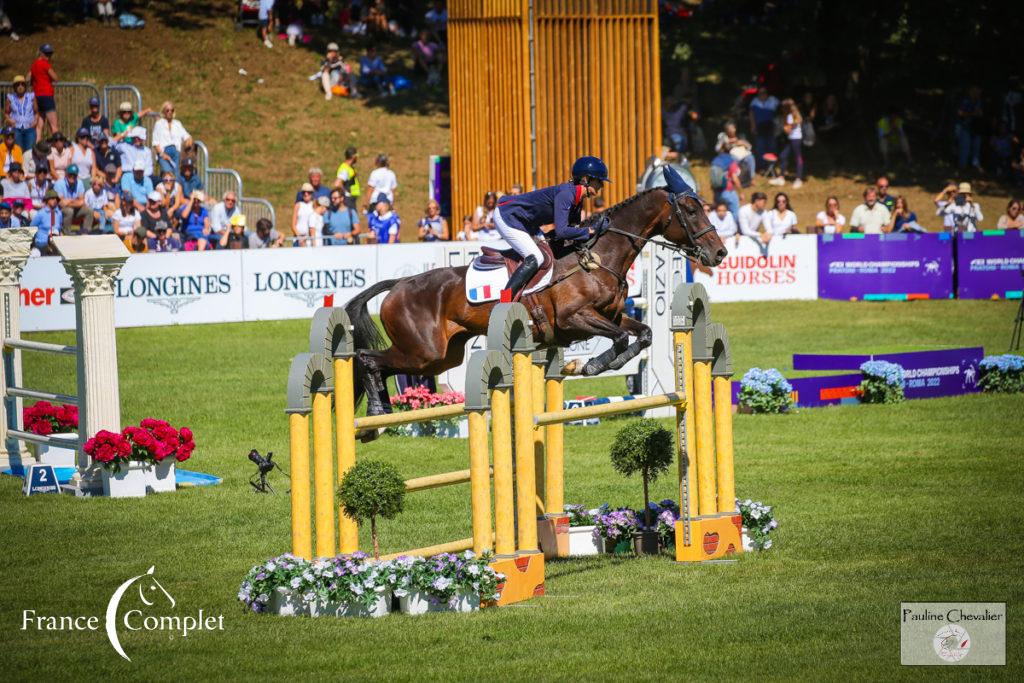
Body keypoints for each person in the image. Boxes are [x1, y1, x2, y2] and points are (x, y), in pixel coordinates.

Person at [493, 155, 608, 299]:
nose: (602, 186)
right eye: (599, 181)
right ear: (585, 179)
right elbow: (561, 232)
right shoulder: (566, 194)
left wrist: (595, 233)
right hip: (507, 215)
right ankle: (504, 301)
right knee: (536, 257)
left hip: (526, 222)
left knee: (549, 253)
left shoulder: (578, 201)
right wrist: (590, 230)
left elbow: (572, 232)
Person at [151, 101, 192, 175]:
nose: (170, 112)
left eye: (172, 110)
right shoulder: (159, 124)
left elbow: (186, 136)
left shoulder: (177, 123)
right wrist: (162, 154)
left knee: (175, 175)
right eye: (167, 110)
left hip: (175, 152)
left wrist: (189, 141)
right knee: (168, 173)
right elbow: (155, 142)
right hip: (164, 151)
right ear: (163, 111)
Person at [773, 98, 804, 188]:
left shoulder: (795, 113)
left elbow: (799, 120)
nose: (784, 108)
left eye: (786, 106)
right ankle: (781, 177)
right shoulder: (786, 115)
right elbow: (786, 130)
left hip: (796, 139)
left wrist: (789, 126)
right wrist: (786, 128)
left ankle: (798, 179)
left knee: (797, 158)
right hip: (790, 139)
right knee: (783, 156)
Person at [29, 44, 58, 138]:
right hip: (46, 95)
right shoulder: (45, 64)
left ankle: (37, 146)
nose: (48, 56)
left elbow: (27, 77)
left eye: (50, 54)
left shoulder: (34, 65)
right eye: (47, 54)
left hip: (37, 96)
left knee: (39, 126)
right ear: (41, 53)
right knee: (53, 126)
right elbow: (56, 78)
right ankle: (58, 146)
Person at [714, 121, 754, 187]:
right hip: (731, 155)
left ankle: (751, 178)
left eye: (732, 128)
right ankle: (734, 179)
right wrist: (726, 144)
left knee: (750, 158)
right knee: (733, 159)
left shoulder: (740, 136)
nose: (730, 130)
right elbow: (717, 149)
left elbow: (750, 147)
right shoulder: (723, 138)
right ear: (726, 130)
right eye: (728, 129)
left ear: (735, 129)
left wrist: (743, 143)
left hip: (743, 155)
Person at [5, 75, 37, 155]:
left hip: (29, 128)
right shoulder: (10, 98)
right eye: (17, 84)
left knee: (29, 152)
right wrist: (9, 120)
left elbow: (36, 112)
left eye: (22, 84)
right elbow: (6, 113)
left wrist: (35, 122)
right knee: (18, 151)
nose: (20, 86)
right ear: (14, 87)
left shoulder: (31, 97)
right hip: (16, 129)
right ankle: (18, 167)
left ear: (25, 86)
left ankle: (27, 168)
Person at [55, 164, 91, 233]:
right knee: (69, 211)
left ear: (77, 176)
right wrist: (75, 201)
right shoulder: (59, 183)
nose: (72, 177)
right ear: (66, 174)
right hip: (60, 210)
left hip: (74, 208)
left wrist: (68, 201)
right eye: (70, 175)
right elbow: (61, 203)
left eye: (74, 175)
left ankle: (85, 232)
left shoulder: (79, 183)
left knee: (89, 211)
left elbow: (82, 202)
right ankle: (66, 233)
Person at [749, 86, 779, 169]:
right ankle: (762, 166)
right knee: (760, 146)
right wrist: (753, 126)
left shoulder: (773, 100)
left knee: (771, 146)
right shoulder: (755, 101)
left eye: (764, 93)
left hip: (770, 126)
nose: (762, 95)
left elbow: (781, 109)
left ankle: (771, 165)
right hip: (759, 126)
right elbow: (751, 114)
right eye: (760, 93)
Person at [956, 86, 985, 171]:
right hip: (966, 127)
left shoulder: (980, 102)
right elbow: (960, 113)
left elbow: (980, 114)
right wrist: (972, 114)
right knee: (964, 147)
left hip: (976, 128)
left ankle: (975, 165)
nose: (978, 93)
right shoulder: (965, 101)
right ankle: (963, 166)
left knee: (976, 148)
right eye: (976, 90)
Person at [709, 150, 742, 220]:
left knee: (718, 212)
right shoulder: (731, 161)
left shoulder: (716, 161)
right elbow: (734, 178)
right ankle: (734, 229)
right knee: (734, 212)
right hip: (728, 191)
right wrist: (741, 192)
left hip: (717, 192)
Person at [30, 189, 63, 255]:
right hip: (41, 244)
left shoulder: (59, 213)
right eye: (52, 198)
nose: (55, 200)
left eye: (56, 199)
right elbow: (31, 229)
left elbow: (60, 229)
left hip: (55, 244)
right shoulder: (40, 214)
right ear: (47, 200)